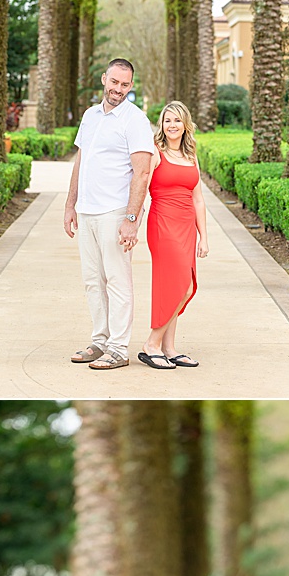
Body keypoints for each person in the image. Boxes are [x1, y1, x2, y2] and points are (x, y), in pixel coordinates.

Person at [64, 58, 154, 371]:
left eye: (125, 85)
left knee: (117, 281)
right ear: (104, 79)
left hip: (115, 212)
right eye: (114, 82)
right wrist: (70, 204)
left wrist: (131, 220)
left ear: (131, 86)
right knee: (92, 281)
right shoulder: (89, 116)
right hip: (87, 211)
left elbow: (142, 174)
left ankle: (117, 348)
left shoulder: (135, 120)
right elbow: (81, 161)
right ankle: (99, 341)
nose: (118, 89)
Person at [140, 100, 209, 370]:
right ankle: (151, 344)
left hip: (186, 227)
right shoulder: (156, 153)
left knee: (181, 284)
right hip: (162, 224)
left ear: (185, 125)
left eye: (177, 120)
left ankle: (169, 348)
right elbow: (142, 188)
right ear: (162, 125)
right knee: (179, 284)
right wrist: (132, 221)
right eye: (167, 120)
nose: (172, 125)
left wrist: (204, 236)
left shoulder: (191, 156)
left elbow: (198, 199)